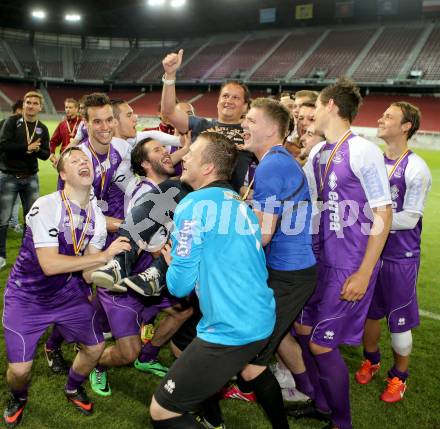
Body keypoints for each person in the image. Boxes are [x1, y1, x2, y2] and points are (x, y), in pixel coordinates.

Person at [149, 131, 276, 429]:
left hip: (230, 327)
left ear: (207, 168)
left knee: (162, 411)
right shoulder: (237, 201)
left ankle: (211, 417)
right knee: (247, 370)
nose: (186, 156)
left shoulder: (193, 205)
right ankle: (213, 418)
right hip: (258, 316)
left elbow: (178, 287)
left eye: (192, 152)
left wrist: (173, 264)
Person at [2, 147, 130, 428]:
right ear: (63, 173)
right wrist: (104, 256)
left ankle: (72, 387)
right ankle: (19, 396)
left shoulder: (96, 216)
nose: (84, 163)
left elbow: (86, 273)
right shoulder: (46, 205)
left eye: (87, 161)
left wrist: (118, 274)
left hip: (67, 293)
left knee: (95, 348)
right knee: (20, 370)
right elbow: (49, 264)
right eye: (75, 161)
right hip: (27, 298)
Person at [295, 78, 392, 429]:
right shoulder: (319, 154)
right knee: (303, 330)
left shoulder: (363, 151)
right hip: (319, 260)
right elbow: (303, 200)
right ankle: (321, 404)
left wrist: (365, 272)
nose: (312, 115)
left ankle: (342, 423)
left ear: (332, 106)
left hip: (350, 264)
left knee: (322, 344)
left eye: (317, 107)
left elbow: (384, 212)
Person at [238, 98, 317, 426]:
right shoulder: (274, 161)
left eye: (251, 120)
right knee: (281, 336)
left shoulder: (271, 164)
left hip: (289, 274)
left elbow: (264, 233)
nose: (243, 124)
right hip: (288, 269)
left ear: (271, 130)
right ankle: (314, 396)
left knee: (251, 364)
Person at [355, 102, 431, 402]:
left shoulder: (416, 168)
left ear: (406, 126)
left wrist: (366, 220)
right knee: (368, 315)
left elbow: (411, 217)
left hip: (400, 257)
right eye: (382, 114)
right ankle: (371, 360)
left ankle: (399, 377)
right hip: (370, 252)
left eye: (389, 116)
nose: (380, 119)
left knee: (399, 320)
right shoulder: (372, 160)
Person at [161, 49, 253, 194]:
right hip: (189, 195)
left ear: (245, 106)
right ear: (217, 102)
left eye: (235, 98)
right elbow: (169, 112)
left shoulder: (251, 133)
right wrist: (170, 75)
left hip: (225, 201)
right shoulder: (201, 125)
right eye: (225, 96)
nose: (228, 101)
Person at [0, 91, 50, 270]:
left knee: (31, 218)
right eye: (28, 102)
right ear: (24, 104)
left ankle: (25, 254)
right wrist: (26, 147)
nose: (31, 106)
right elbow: (3, 145)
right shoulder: (12, 122)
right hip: (9, 177)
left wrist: (36, 150)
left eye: (35, 103)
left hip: (31, 179)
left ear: (40, 107)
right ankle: (1, 256)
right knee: (3, 218)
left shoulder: (42, 128)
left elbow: (46, 154)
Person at [0, 99, 23, 233]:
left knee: (14, 199)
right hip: (8, 168)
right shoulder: (9, 124)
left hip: (14, 168)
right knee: (11, 199)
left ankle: (12, 223)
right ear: (18, 110)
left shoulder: (5, 122)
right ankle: (11, 223)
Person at [49, 98, 81, 167]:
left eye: (70, 107)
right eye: (66, 107)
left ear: (76, 109)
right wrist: (51, 153)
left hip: (80, 157)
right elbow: (53, 141)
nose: (67, 109)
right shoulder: (62, 124)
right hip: (64, 157)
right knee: (63, 177)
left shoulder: (82, 122)